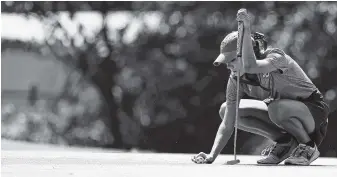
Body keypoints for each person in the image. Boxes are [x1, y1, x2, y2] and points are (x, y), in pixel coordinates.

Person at [191, 9, 330, 165]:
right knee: (226, 110)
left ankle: (308, 147)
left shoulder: (276, 57)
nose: (228, 66)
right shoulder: (236, 80)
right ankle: (285, 143)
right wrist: (211, 155)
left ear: (247, 52)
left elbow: (251, 65)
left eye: (232, 60)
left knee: (275, 108)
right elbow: (228, 123)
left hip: (314, 114)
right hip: (282, 113)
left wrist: (247, 28)